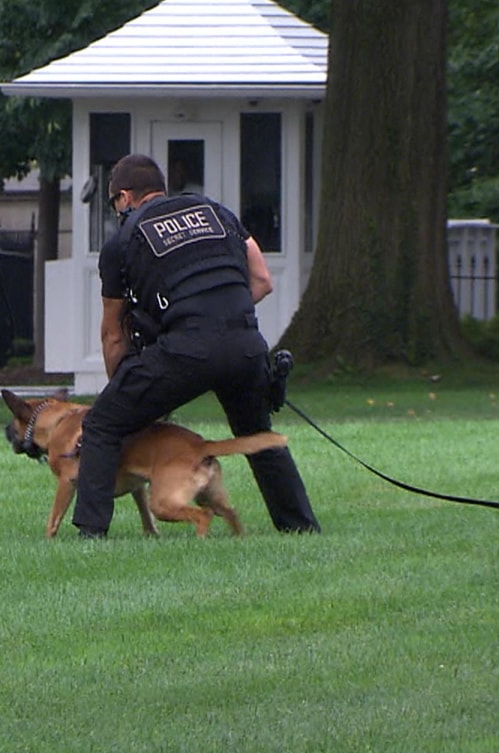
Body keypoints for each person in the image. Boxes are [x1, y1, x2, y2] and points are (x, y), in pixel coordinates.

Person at [71, 153, 320, 537]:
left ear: (123, 198)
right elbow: (262, 279)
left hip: (183, 349)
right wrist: (218, 318)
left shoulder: (122, 241)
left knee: (103, 423)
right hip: (245, 344)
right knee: (255, 431)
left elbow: (114, 333)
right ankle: (300, 526)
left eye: (114, 202)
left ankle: (90, 534)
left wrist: (123, 392)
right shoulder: (217, 213)